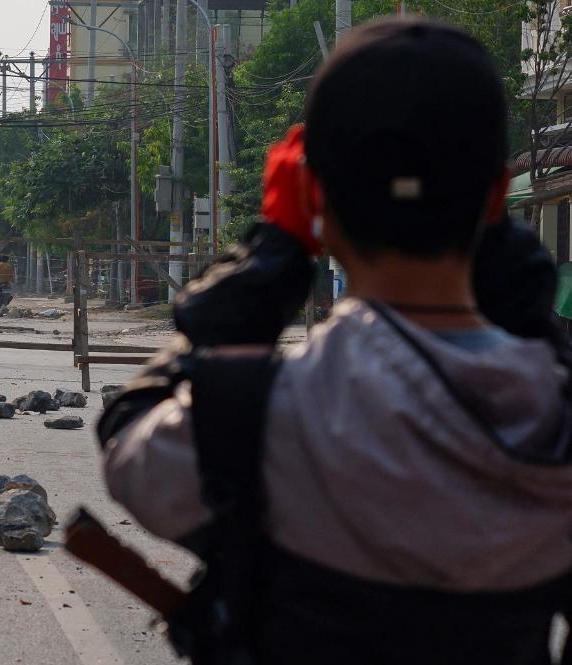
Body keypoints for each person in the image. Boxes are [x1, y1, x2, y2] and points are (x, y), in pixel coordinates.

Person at [98, 19, 572, 665]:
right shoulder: (556, 415)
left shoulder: (254, 415)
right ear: (497, 198)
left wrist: (273, 254)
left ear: (310, 193)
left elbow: (129, 440)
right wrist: (525, 302)